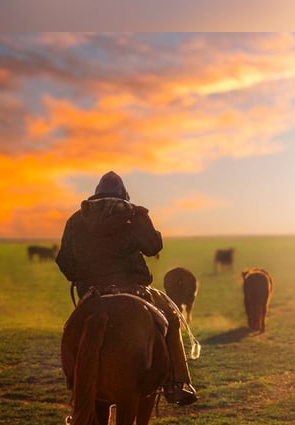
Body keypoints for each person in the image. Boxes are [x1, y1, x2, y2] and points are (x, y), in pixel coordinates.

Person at [55, 170, 198, 405]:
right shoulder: (134, 215)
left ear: (95, 194)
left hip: (92, 291)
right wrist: (144, 220)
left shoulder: (76, 219)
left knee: (72, 328)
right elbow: (153, 247)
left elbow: (64, 260)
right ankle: (177, 382)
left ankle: (74, 382)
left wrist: (83, 279)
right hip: (133, 289)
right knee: (171, 318)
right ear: (124, 195)